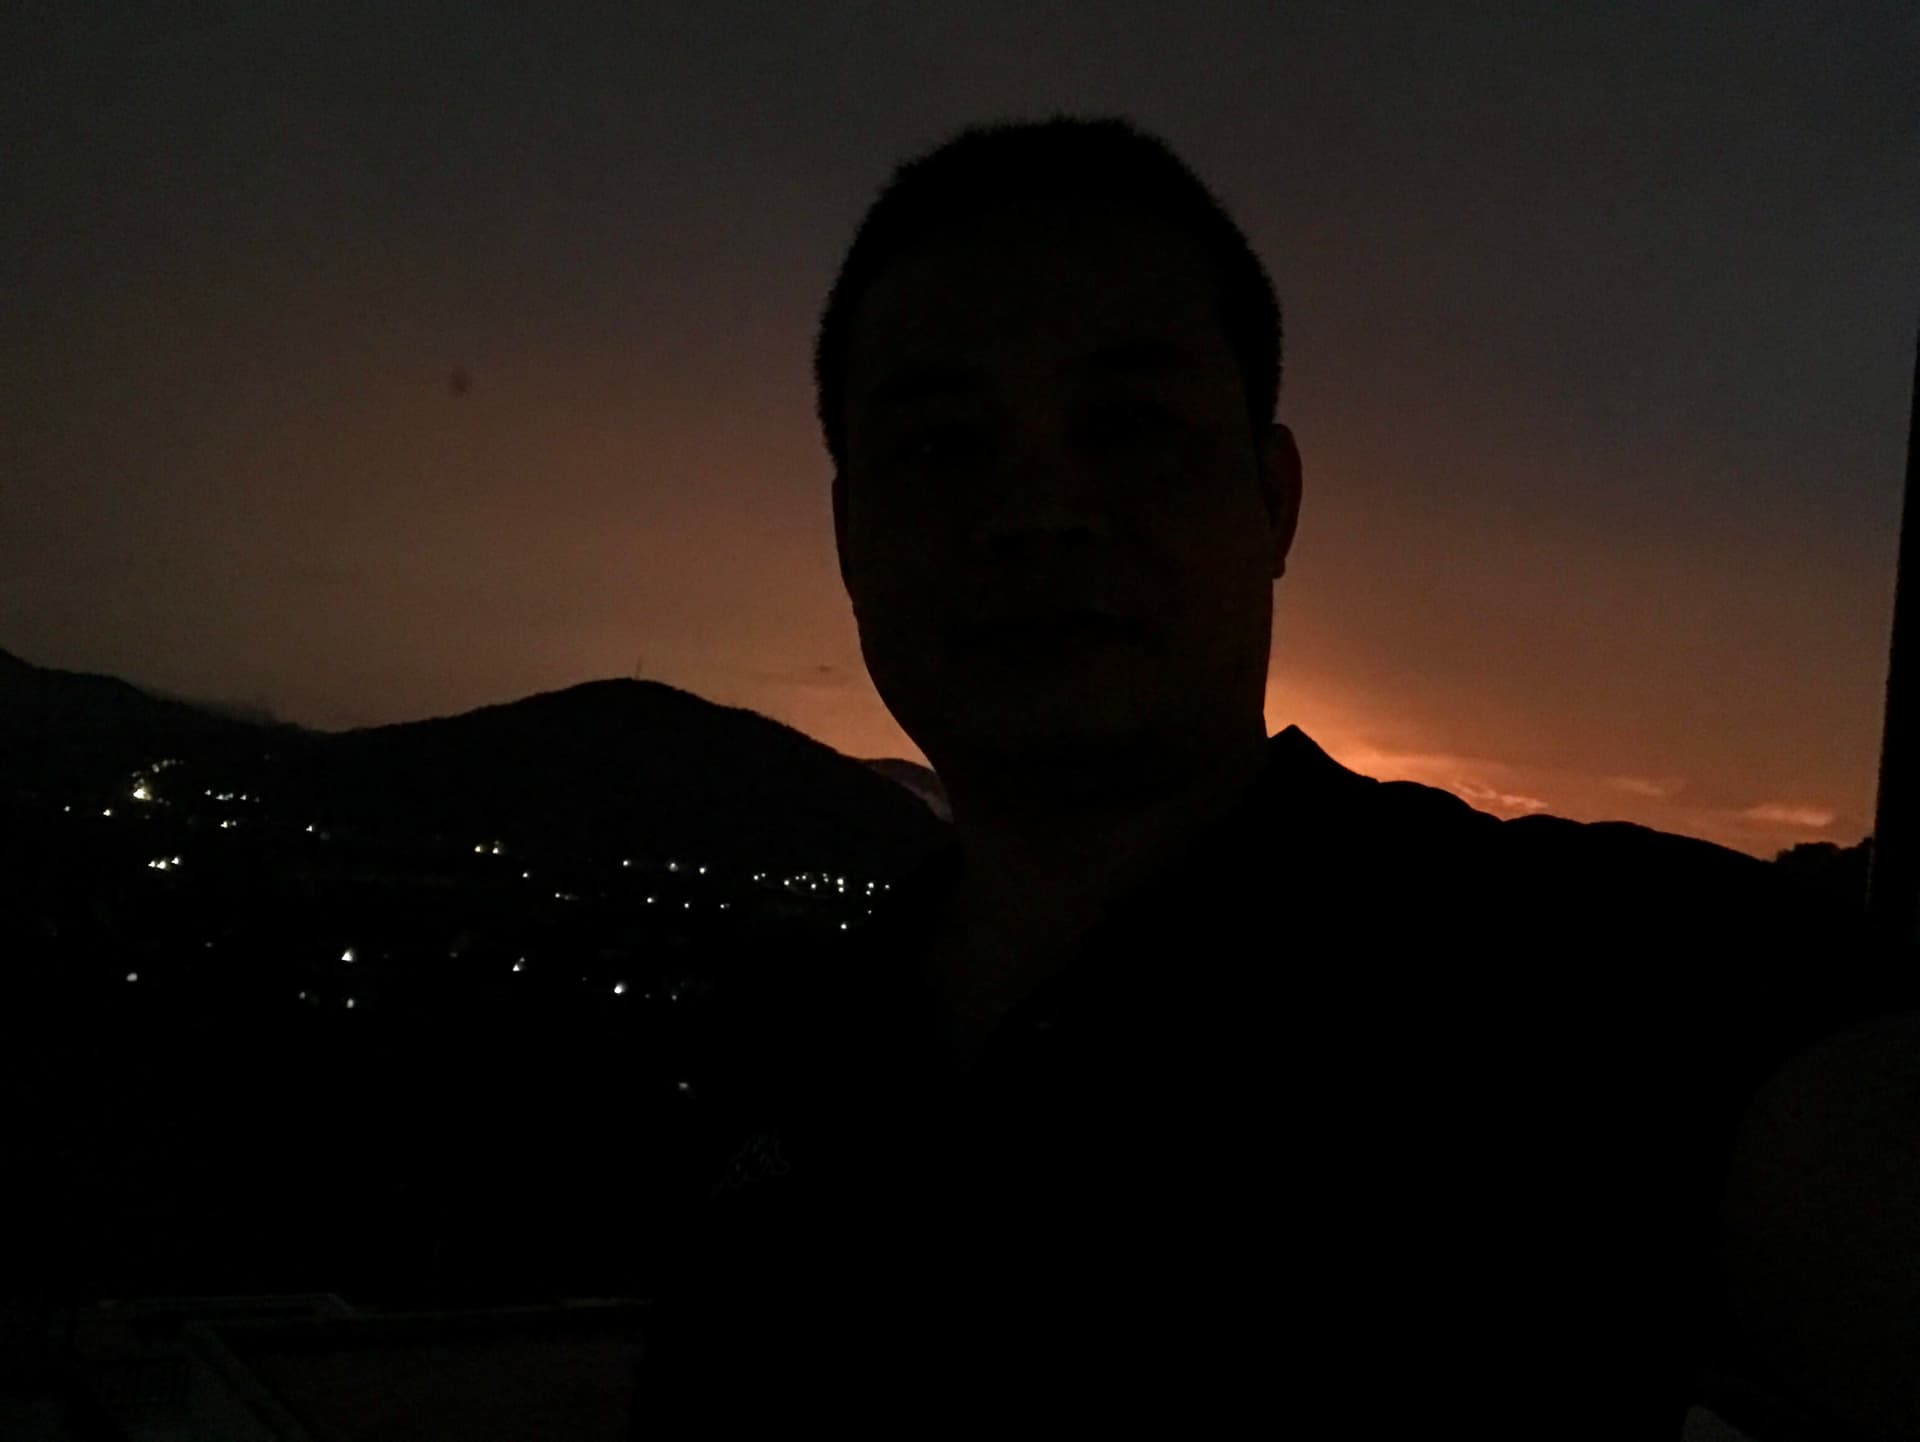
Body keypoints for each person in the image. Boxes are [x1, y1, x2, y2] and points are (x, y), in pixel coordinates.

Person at [631, 114, 1920, 1437]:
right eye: (941, 444)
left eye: (1129, 424)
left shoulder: (1568, 976)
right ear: (849, 534)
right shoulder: (786, 1047)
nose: (1037, 510)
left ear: (1275, 498)